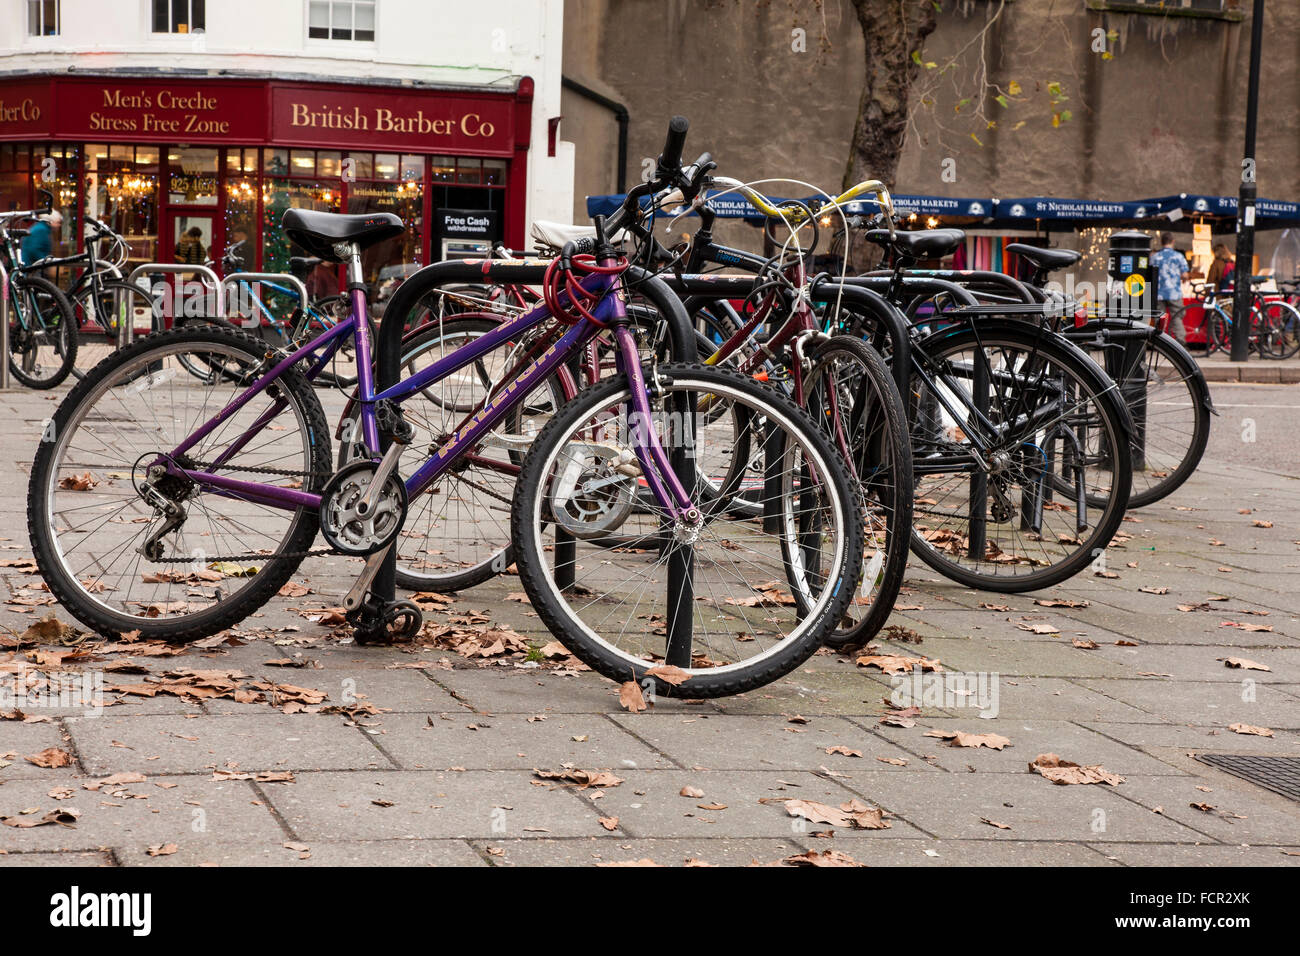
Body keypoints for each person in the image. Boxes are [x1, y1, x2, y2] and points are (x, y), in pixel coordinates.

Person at [1151, 231, 1190, 344]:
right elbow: (1184, 275)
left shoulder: (1155, 257)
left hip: (1158, 292)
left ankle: (1159, 341)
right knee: (1177, 316)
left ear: (1161, 242)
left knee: (1160, 317)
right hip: (1174, 292)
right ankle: (1180, 341)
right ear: (1173, 242)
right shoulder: (1178, 256)